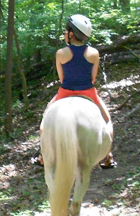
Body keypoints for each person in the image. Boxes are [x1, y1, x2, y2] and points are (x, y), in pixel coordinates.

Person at [35, 14, 116, 168]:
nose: (65, 33)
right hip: (88, 92)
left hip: (65, 92)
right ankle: (107, 155)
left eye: (66, 31)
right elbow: (93, 78)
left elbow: (62, 78)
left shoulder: (61, 53)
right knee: (107, 121)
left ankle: (43, 155)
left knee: (44, 123)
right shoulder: (94, 53)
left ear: (71, 33)